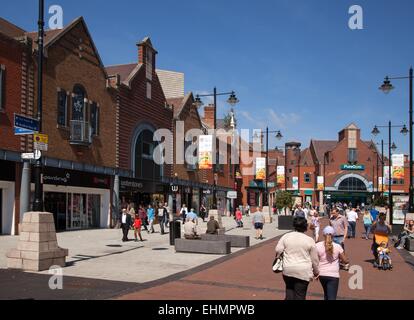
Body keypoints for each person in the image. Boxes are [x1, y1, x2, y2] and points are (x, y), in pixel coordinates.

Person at [275, 217, 320, 300]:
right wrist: (316, 271)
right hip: (303, 271)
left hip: (288, 268)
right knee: (300, 295)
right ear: (305, 227)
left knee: (289, 293)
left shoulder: (286, 236)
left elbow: (278, 250)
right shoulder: (309, 240)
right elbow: (314, 259)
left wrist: (279, 257)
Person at [316, 226, 349, 300]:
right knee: (332, 297)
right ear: (333, 235)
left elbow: (315, 259)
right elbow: (345, 261)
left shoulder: (317, 245)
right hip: (333, 274)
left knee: (326, 294)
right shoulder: (337, 246)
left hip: (321, 273)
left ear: (323, 235)